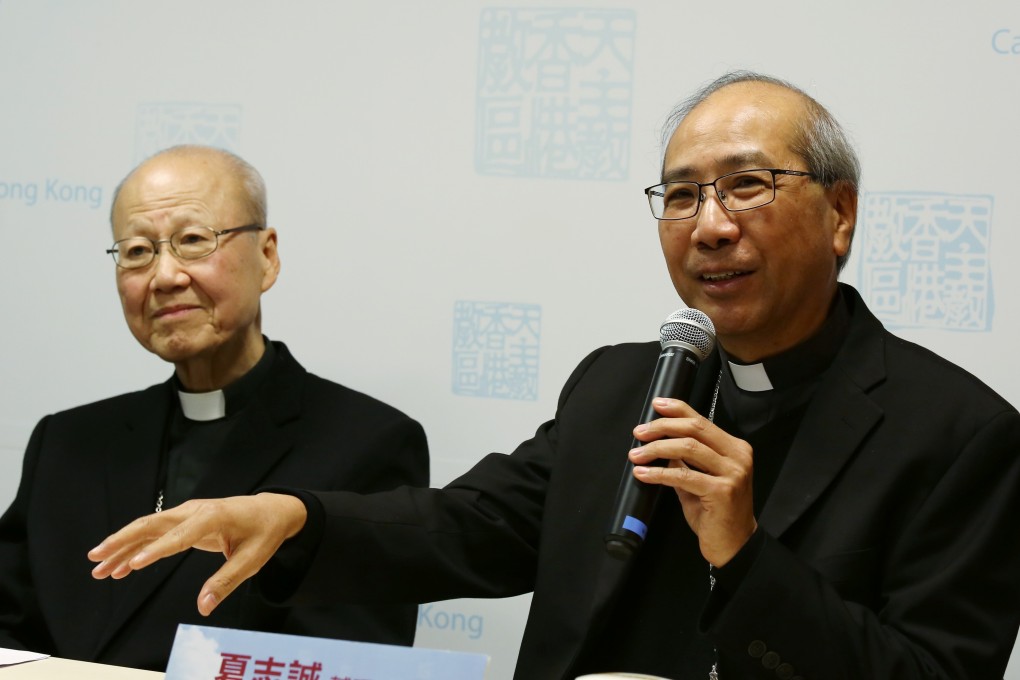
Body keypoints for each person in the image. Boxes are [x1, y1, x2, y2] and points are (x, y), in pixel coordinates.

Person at [89, 74, 1020, 679]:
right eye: (681, 195)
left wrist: (744, 556)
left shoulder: (958, 433)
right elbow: (470, 527)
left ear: (839, 213)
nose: (709, 226)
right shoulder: (623, 386)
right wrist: (296, 519)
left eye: (746, 185)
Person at [0, 145, 429, 671]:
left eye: (193, 241)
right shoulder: (67, 440)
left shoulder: (367, 443)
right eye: (137, 251)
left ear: (267, 256)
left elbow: (347, 664)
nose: (164, 276)